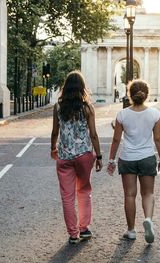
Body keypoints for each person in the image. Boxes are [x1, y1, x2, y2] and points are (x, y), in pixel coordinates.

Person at [107, 80, 160, 244]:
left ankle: (131, 230)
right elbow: (158, 139)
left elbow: (116, 139)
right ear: (147, 94)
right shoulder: (154, 114)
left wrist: (111, 159)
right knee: (148, 193)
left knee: (129, 195)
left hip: (127, 158)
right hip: (147, 157)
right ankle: (148, 219)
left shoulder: (122, 114)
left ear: (129, 94)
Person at [51, 70, 103, 244]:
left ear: (65, 88)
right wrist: (99, 155)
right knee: (84, 191)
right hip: (84, 155)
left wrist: (53, 148)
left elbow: (55, 131)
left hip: (64, 156)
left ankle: (73, 234)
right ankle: (84, 228)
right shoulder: (87, 107)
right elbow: (94, 134)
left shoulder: (58, 106)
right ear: (82, 87)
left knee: (67, 196)